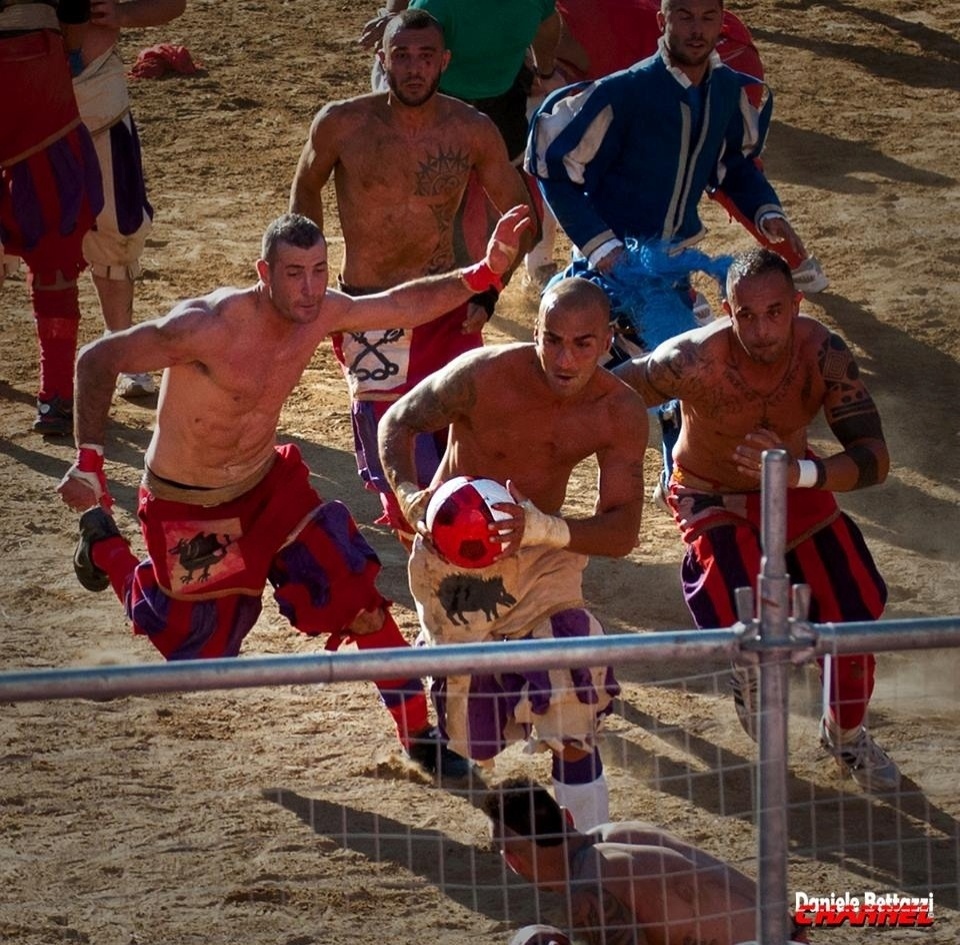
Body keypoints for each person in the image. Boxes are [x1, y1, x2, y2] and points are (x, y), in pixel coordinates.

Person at [55, 205, 532, 778]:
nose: (309, 289)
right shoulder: (204, 326)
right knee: (195, 649)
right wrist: (89, 464)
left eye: (318, 270)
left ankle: (419, 738)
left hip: (267, 488)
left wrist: (484, 271)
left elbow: (401, 305)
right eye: (293, 273)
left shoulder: (324, 310)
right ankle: (101, 537)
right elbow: (96, 358)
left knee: (356, 597)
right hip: (188, 502)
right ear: (264, 272)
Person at [614, 247, 900, 792]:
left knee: (855, 614)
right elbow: (609, 392)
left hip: (794, 484)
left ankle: (845, 734)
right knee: (738, 603)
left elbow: (874, 458)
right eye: (746, 314)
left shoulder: (823, 352)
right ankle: (745, 667)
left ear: (795, 304)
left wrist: (800, 473)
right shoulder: (695, 357)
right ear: (727, 309)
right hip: (710, 491)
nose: (762, 329)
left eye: (774, 312)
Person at [378, 277, 648, 828]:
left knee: (576, 695)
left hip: (543, 558)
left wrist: (543, 529)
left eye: (582, 343)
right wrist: (411, 498)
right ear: (535, 332)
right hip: (456, 566)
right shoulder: (483, 375)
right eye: (552, 339)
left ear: (607, 340)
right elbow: (397, 422)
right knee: (473, 742)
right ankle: (438, 654)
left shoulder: (619, 411)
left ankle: (591, 860)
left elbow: (622, 532)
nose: (564, 357)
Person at [526, 0, 822, 494]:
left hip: (669, 279)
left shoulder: (726, 91)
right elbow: (553, 166)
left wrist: (767, 212)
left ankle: (683, 487)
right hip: (606, 273)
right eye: (684, 16)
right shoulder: (626, 91)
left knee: (677, 381)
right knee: (571, 381)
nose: (697, 30)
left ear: (721, 22)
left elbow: (733, 167)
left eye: (708, 18)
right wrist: (602, 248)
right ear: (662, 21)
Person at [290, 9, 534, 544]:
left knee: (457, 442)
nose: (414, 68)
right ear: (383, 59)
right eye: (402, 56)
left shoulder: (471, 130)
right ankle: (430, 552)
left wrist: (491, 292)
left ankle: (457, 548)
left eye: (426, 57)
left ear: (445, 62)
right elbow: (306, 185)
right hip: (368, 309)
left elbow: (522, 219)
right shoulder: (342, 123)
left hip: (447, 306)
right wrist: (309, 271)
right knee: (398, 459)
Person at [484, 777, 809, 945]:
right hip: (791, 931)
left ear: (513, 861)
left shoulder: (585, 893)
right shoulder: (618, 832)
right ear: (567, 817)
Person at [73, 0, 187, 400]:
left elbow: (173, 3)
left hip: (97, 96)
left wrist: (123, 15)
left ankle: (119, 345)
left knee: (116, 227)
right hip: (17, 86)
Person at [1, 0, 104, 436]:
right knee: (54, 252)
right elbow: (76, 12)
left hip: (33, 73)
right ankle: (56, 396)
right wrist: (72, 45)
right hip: (35, 76)